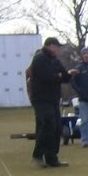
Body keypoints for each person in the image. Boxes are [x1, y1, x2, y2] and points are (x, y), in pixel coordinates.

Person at [28, 36, 74, 168]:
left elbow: (64, 76)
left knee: (57, 128)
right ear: (51, 46)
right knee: (47, 124)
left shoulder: (55, 60)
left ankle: (52, 157)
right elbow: (47, 77)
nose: (58, 49)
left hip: (53, 98)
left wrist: (68, 74)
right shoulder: (39, 58)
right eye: (57, 46)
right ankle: (37, 156)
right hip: (41, 98)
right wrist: (58, 77)